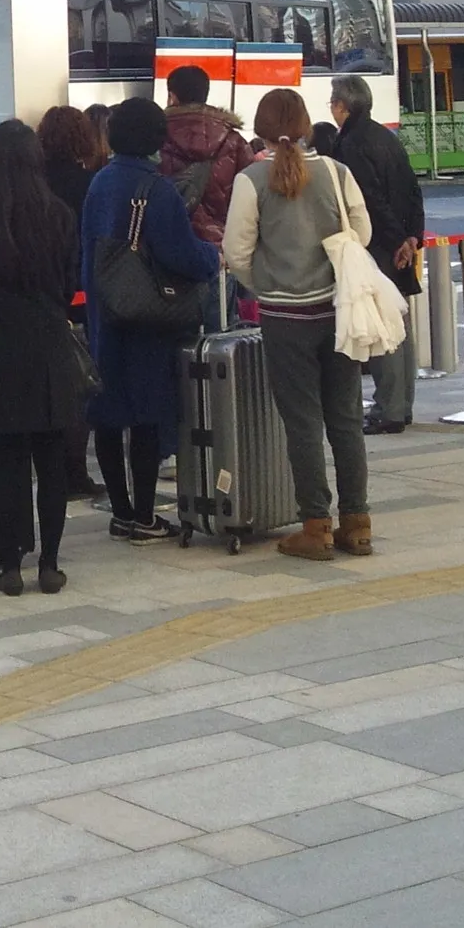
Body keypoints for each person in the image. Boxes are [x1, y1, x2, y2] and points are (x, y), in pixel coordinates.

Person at [224, 88, 373, 560]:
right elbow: (362, 232)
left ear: (260, 130)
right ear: (308, 125)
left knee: (303, 422)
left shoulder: (251, 179)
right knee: (346, 419)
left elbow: (236, 252)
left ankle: (316, 525)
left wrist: (265, 285)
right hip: (338, 310)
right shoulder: (335, 170)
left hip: (285, 318)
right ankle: (358, 522)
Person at [0, 119, 89, 597]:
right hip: (48, 349)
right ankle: (50, 564)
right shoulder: (61, 216)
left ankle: (10, 566)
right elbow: (70, 287)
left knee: (6, 462)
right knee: (51, 460)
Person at [81, 99, 221, 540]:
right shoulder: (155, 190)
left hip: (104, 312)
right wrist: (210, 256)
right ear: (155, 139)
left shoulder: (99, 183)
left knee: (107, 412)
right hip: (147, 319)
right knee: (145, 414)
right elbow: (180, 254)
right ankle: (143, 514)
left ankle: (121, 510)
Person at [321, 77, 425, 435]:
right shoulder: (386, 137)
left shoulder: (350, 144)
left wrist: (398, 240)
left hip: (378, 246)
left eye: (332, 103)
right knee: (399, 324)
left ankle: (389, 409)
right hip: (399, 243)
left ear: (342, 107)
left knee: (381, 326)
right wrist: (413, 238)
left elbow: (368, 201)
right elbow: (414, 190)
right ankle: (403, 404)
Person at [37, 104, 107, 498]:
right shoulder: (89, 184)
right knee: (79, 387)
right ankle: (74, 472)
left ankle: (47, 469)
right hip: (78, 297)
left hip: (39, 300)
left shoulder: (33, 184)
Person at [159, 65, 255, 244]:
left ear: (172, 97)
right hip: (219, 243)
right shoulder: (234, 141)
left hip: (166, 242)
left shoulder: (156, 137)